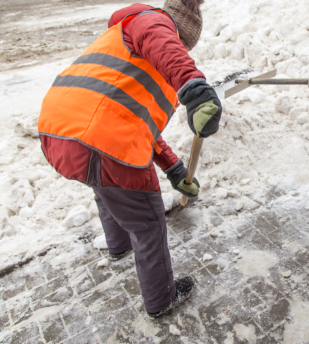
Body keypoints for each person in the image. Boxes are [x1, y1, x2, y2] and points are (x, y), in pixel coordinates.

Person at [38, 0, 222, 317]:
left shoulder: (127, 50)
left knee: (106, 184)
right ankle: (162, 298)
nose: (178, 52)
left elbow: (136, 125)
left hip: (59, 132)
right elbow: (159, 36)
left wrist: (175, 169)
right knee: (149, 223)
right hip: (96, 139)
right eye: (181, 45)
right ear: (177, 34)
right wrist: (193, 87)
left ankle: (118, 244)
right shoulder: (151, 21)